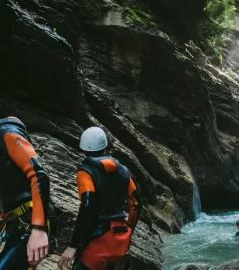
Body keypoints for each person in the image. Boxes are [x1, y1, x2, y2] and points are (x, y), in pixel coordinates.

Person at [58, 127, 143, 270]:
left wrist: (73, 246)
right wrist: (129, 230)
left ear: (83, 148)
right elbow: (136, 204)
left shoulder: (86, 171)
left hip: (98, 239)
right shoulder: (123, 170)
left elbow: (87, 206)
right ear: (105, 146)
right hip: (119, 238)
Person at [0, 116, 50, 269]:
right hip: (14, 222)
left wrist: (38, 230)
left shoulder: (7, 132)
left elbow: (39, 176)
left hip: (30, 221)